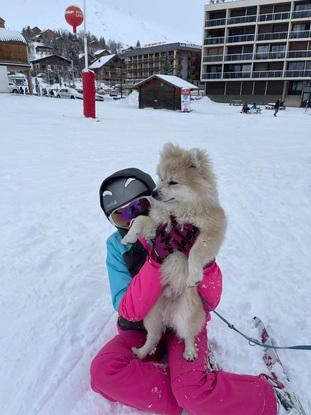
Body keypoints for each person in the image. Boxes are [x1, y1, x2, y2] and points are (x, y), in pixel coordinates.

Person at [90, 168, 278, 415]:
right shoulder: (117, 247)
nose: (134, 219)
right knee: (103, 373)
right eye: (122, 216)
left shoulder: (182, 231)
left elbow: (210, 300)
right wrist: (155, 260)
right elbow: (128, 309)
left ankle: (263, 394)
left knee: (190, 390)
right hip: (142, 330)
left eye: (140, 207)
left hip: (184, 324)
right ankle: (192, 397)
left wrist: (203, 261)